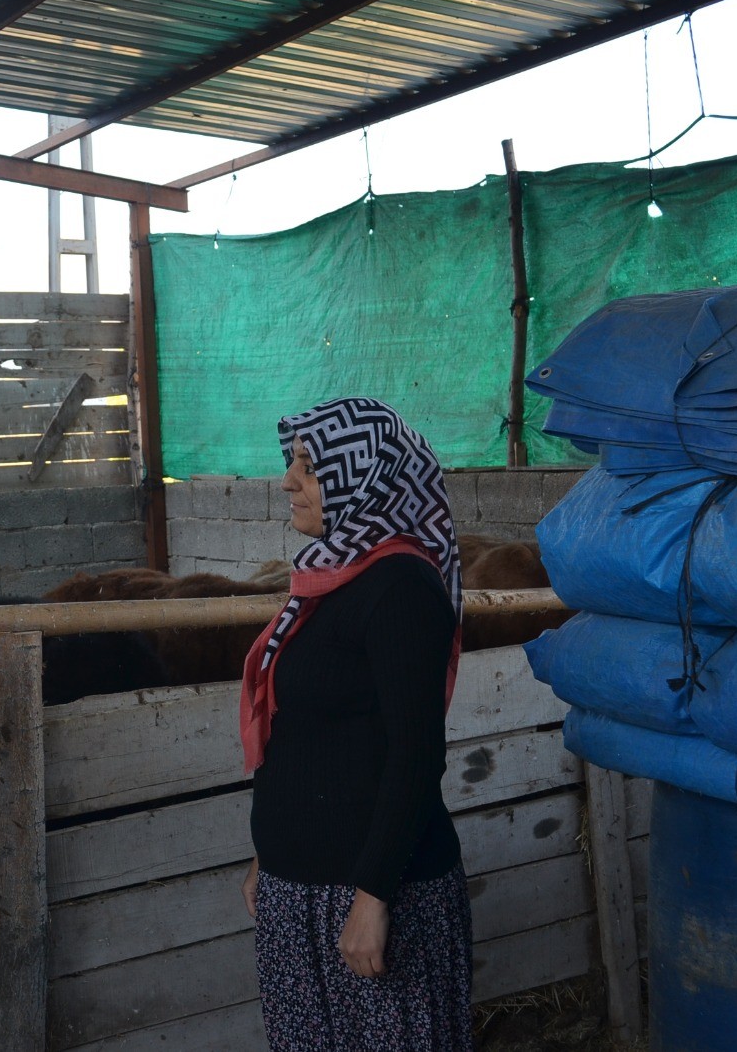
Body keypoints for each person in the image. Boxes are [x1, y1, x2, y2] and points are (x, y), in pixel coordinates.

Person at [239, 396, 473, 1050]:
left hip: (373, 891)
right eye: (293, 465)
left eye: (308, 468)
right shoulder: (324, 581)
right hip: (299, 890)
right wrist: (268, 853)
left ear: (360, 477)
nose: (288, 480)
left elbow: (417, 754)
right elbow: (300, 736)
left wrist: (373, 897)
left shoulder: (400, 587)